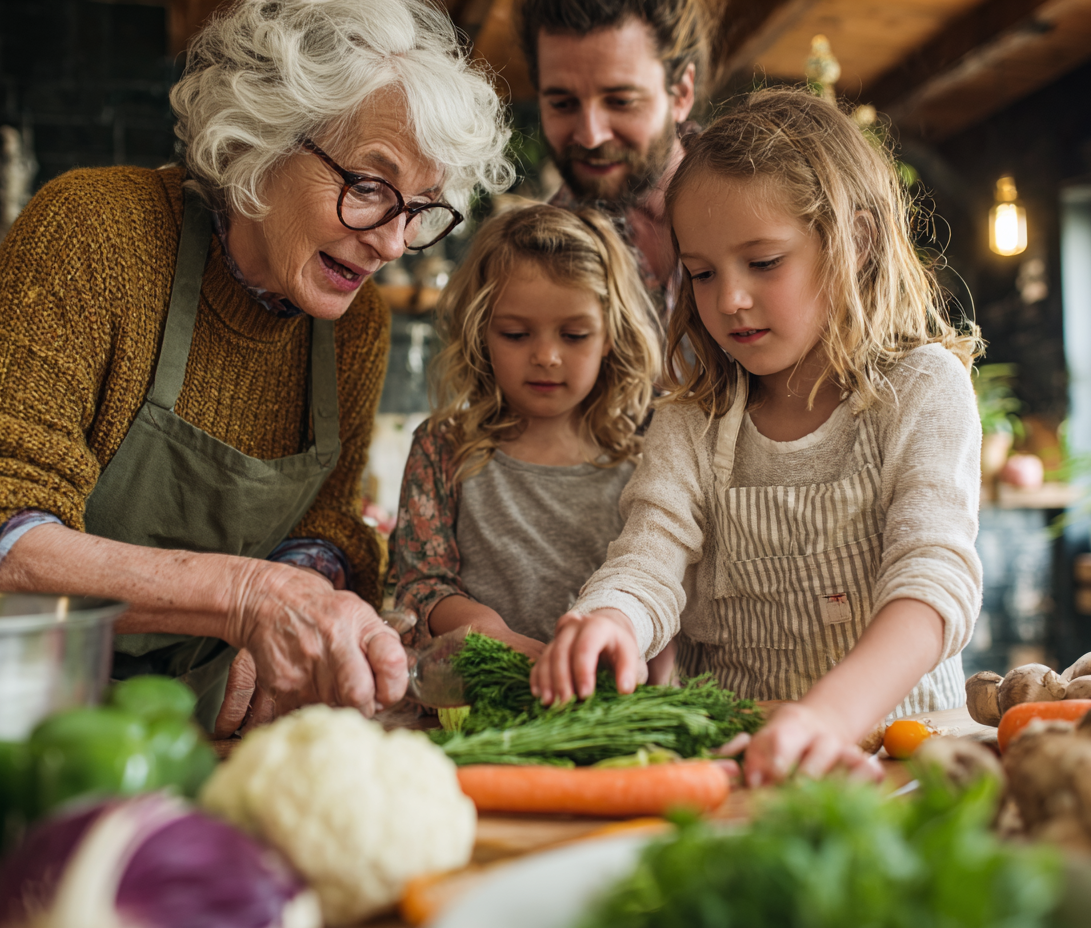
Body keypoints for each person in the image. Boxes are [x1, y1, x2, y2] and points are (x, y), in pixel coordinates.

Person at [0, 0, 512, 732]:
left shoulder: (354, 324)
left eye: (420, 209)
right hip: (15, 712)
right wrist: (248, 599)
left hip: (198, 727)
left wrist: (301, 609)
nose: (393, 244)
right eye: (369, 187)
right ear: (263, 137)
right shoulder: (94, 235)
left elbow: (324, 523)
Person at [530, 88, 985, 785]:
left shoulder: (922, 390)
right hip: (745, 764)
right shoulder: (692, 419)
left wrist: (827, 717)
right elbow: (649, 560)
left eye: (764, 263)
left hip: (906, 760)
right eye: (703, 274)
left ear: (855, 242)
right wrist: (608, 619)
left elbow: (933, 582)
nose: (728, 300)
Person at [390, 204, 660, 660]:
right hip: (471, 702)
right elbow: (421, 588)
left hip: (597, 708)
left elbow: (659, 598)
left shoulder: (642, 464)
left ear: (610, 336)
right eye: (516, 334)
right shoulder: (443, 448)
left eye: (574, 335)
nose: (547, 357)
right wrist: (495, 636)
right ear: (481, 332)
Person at [518, 0, 709, 315]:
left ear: (681, 93)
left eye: (621, 101)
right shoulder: (540, 256)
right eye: (563, 104)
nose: (591, 136)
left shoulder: (760, 212)